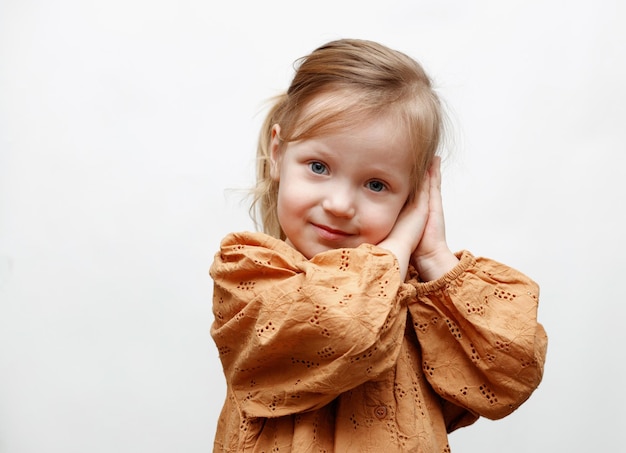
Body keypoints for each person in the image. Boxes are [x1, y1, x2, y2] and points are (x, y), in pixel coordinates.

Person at [209, 39, 547, 452]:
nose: (338, 204)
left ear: (414, 195)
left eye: (376, 184)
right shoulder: (250, 270)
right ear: (278, 153)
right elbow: (344, 325)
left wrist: (432, 256)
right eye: (319, 167)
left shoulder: (426, 299)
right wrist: (399, 246)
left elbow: (511, 374)